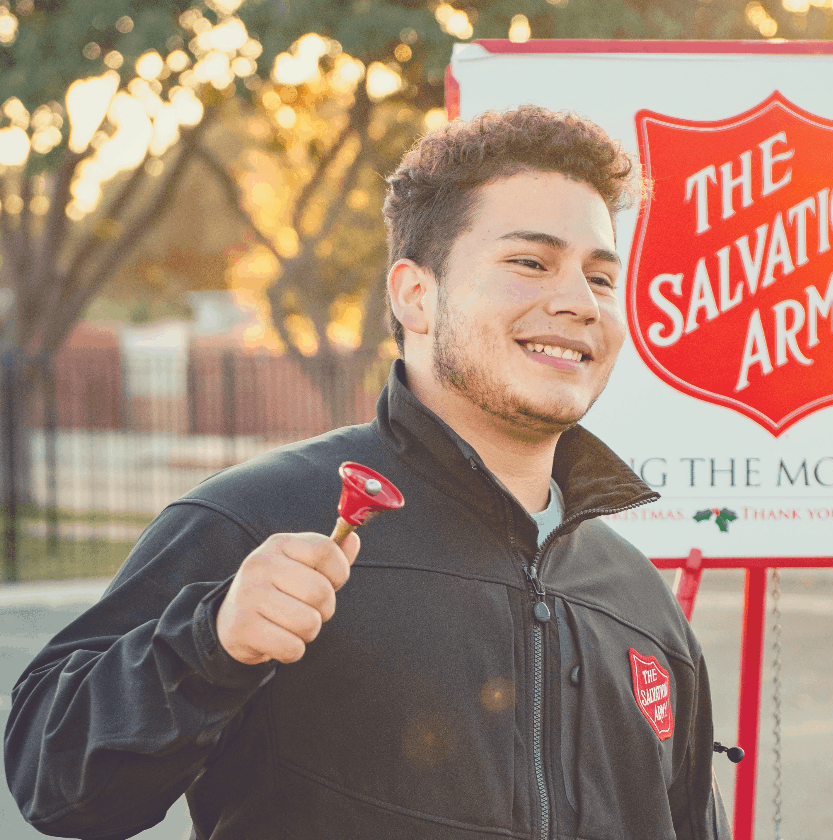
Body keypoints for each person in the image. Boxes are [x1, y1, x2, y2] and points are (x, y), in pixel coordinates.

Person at [5, 105, 731, 839]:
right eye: (530, 263)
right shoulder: (260, 522)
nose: (578, 302)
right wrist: (209, 644)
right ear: (414, 295)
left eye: (601, 277)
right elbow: (55, 782)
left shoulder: (640, 603)